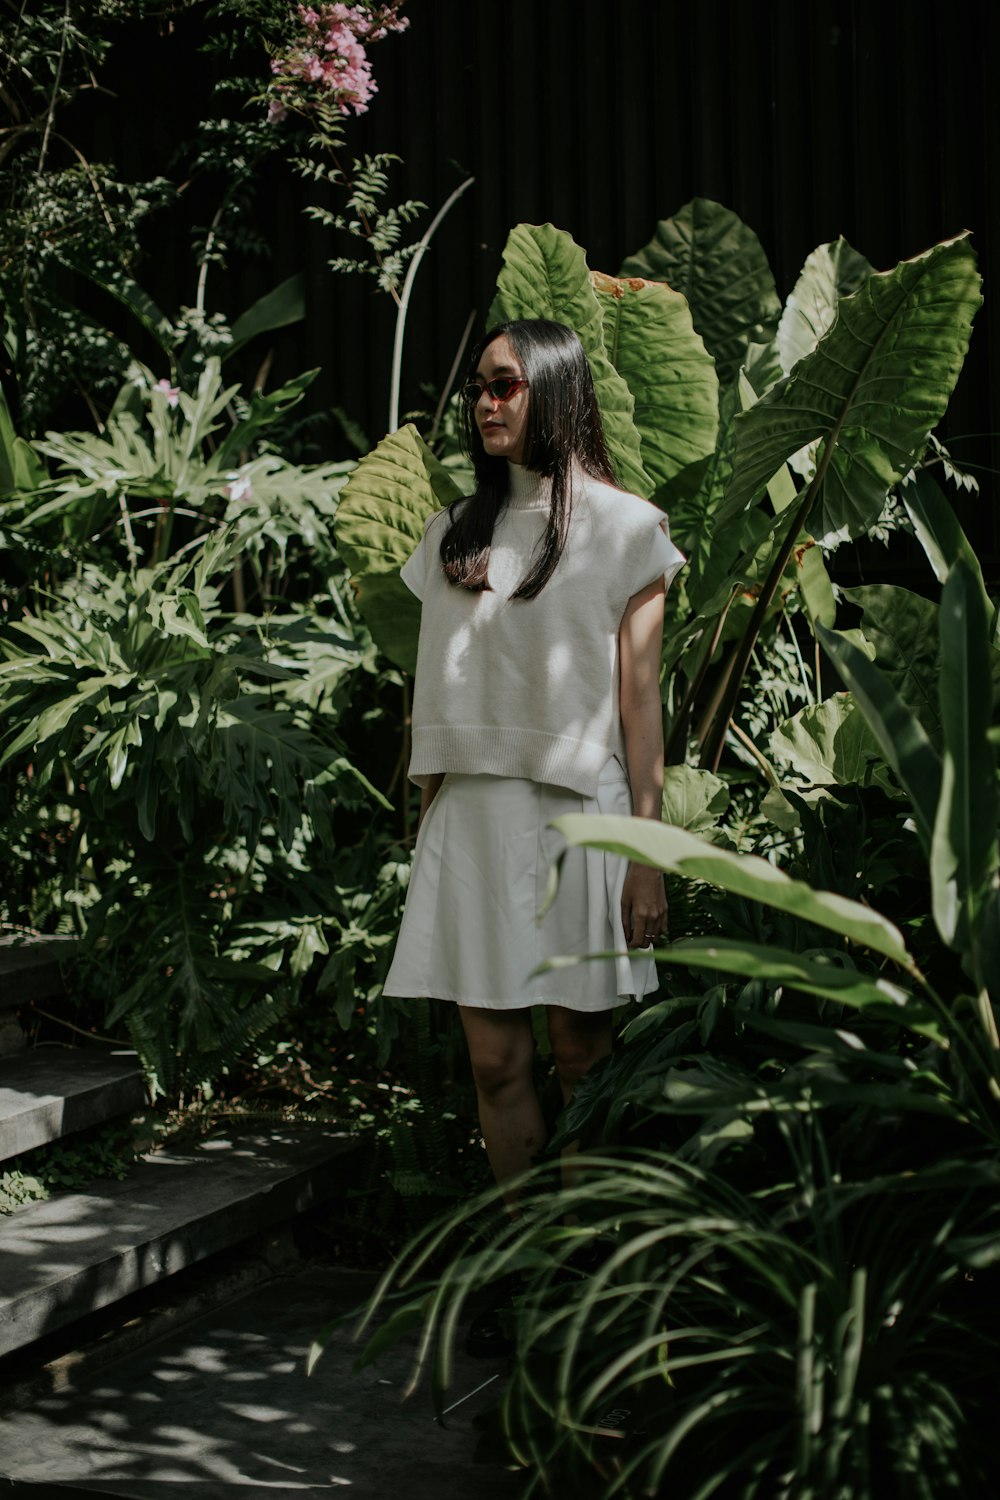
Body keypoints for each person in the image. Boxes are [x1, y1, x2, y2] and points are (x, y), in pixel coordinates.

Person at [382, 319, 684, 1342]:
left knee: (580, 1055)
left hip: (578, 821)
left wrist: (647, 852)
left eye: (506, 386)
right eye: (478, 387)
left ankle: (595, 1276)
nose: (486, 403)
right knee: (493, 1063)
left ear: (552, 392)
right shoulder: (450, 535)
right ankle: (538, 1266)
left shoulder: (624, 528)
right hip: (470, 814)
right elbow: (433, 694)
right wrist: (424, 813)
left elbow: (641, 706)